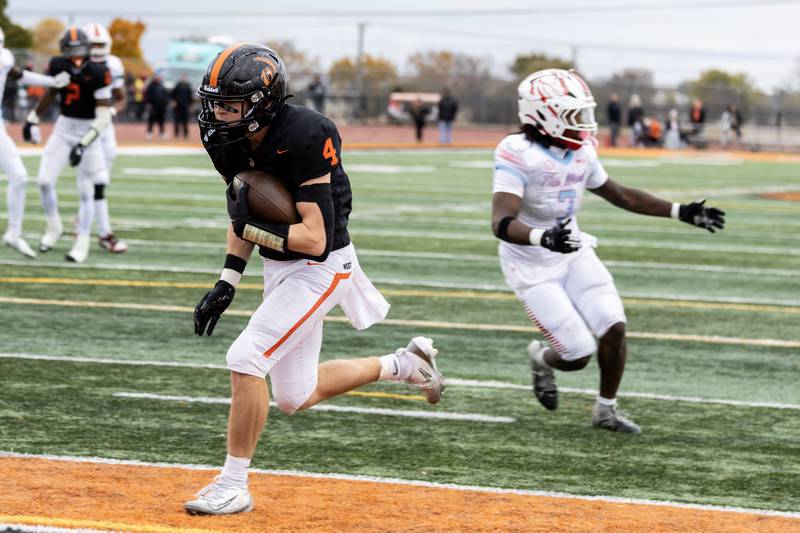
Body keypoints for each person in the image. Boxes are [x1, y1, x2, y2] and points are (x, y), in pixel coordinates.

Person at [186, 43, 445, 515]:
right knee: (294, 395)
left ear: (262, 103)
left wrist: (250, 229)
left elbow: (313, 240)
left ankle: (233, 483)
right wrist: (228, 279)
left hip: (322, 265)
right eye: (215, 102)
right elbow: (243, 207)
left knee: (247, 358)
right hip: (281, 263)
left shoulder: (306, 133)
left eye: (230, 104)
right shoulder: (225, 137)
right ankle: (405, 364)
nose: (218, 113)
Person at [491, 69, 725, 433]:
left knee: (614, 326)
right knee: (577, 353)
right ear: (543, 114)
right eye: (572, 114)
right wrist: (542, 237)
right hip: (532, 263)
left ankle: (606, 411)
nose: (582, 122)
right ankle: (542, 358)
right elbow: (501, 222)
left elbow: (621, 194)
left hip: (573, 250)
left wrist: (681, 211)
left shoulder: (582, 151)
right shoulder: (518, 152)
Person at [23, 27, 114, 263]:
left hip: (89, 131)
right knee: (44, 181)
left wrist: (83, 144)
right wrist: (32, 118)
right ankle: (54, 227)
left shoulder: (100, 71)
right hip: (63, 128)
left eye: (79, 50)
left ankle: (81, 241)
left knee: (86, 191)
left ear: (87, 49)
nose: (75, 56)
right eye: (70, 51)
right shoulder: (57, 64)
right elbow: (51, 93)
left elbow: (104, 117)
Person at [0, 28, 70, 257]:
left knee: (19, 176)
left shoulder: (5, 58)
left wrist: (51, 81)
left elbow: (19, 76)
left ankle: (14, 233)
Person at [84, 22, 128, 254]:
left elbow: (121, 97)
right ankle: (104, 232)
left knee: (101, 179)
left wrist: (111, 111)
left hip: (104, 125)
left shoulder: (113, 64)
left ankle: (88, 215)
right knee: (95, 181)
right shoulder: (75, 64)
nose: (97, 49)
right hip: (82, 126)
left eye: (100, 44)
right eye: (93, 44)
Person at [145, 73, 168, 139]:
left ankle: (162, 133)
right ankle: (149, 133)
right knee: (151, 120)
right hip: (153, 106)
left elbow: (165, 95)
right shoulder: (151, 86)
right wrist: (149, 104)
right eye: (156, 78)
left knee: (161, 121)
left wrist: (165, 103)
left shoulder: (162, 86)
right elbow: (147, 96)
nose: (158, 79)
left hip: (161, 107)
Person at [171, 73, 192, 139]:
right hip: (178, 106)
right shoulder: (178, 85)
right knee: (176, 120)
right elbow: (172, 94)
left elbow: (190, 97)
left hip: (185, 106)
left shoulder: (188, 86)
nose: (184, 79)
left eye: (185, 77)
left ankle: (185, 134)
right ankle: (176, 134)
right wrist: (173, 101)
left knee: (185, 121)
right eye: (183, 77)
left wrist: (191, 105)